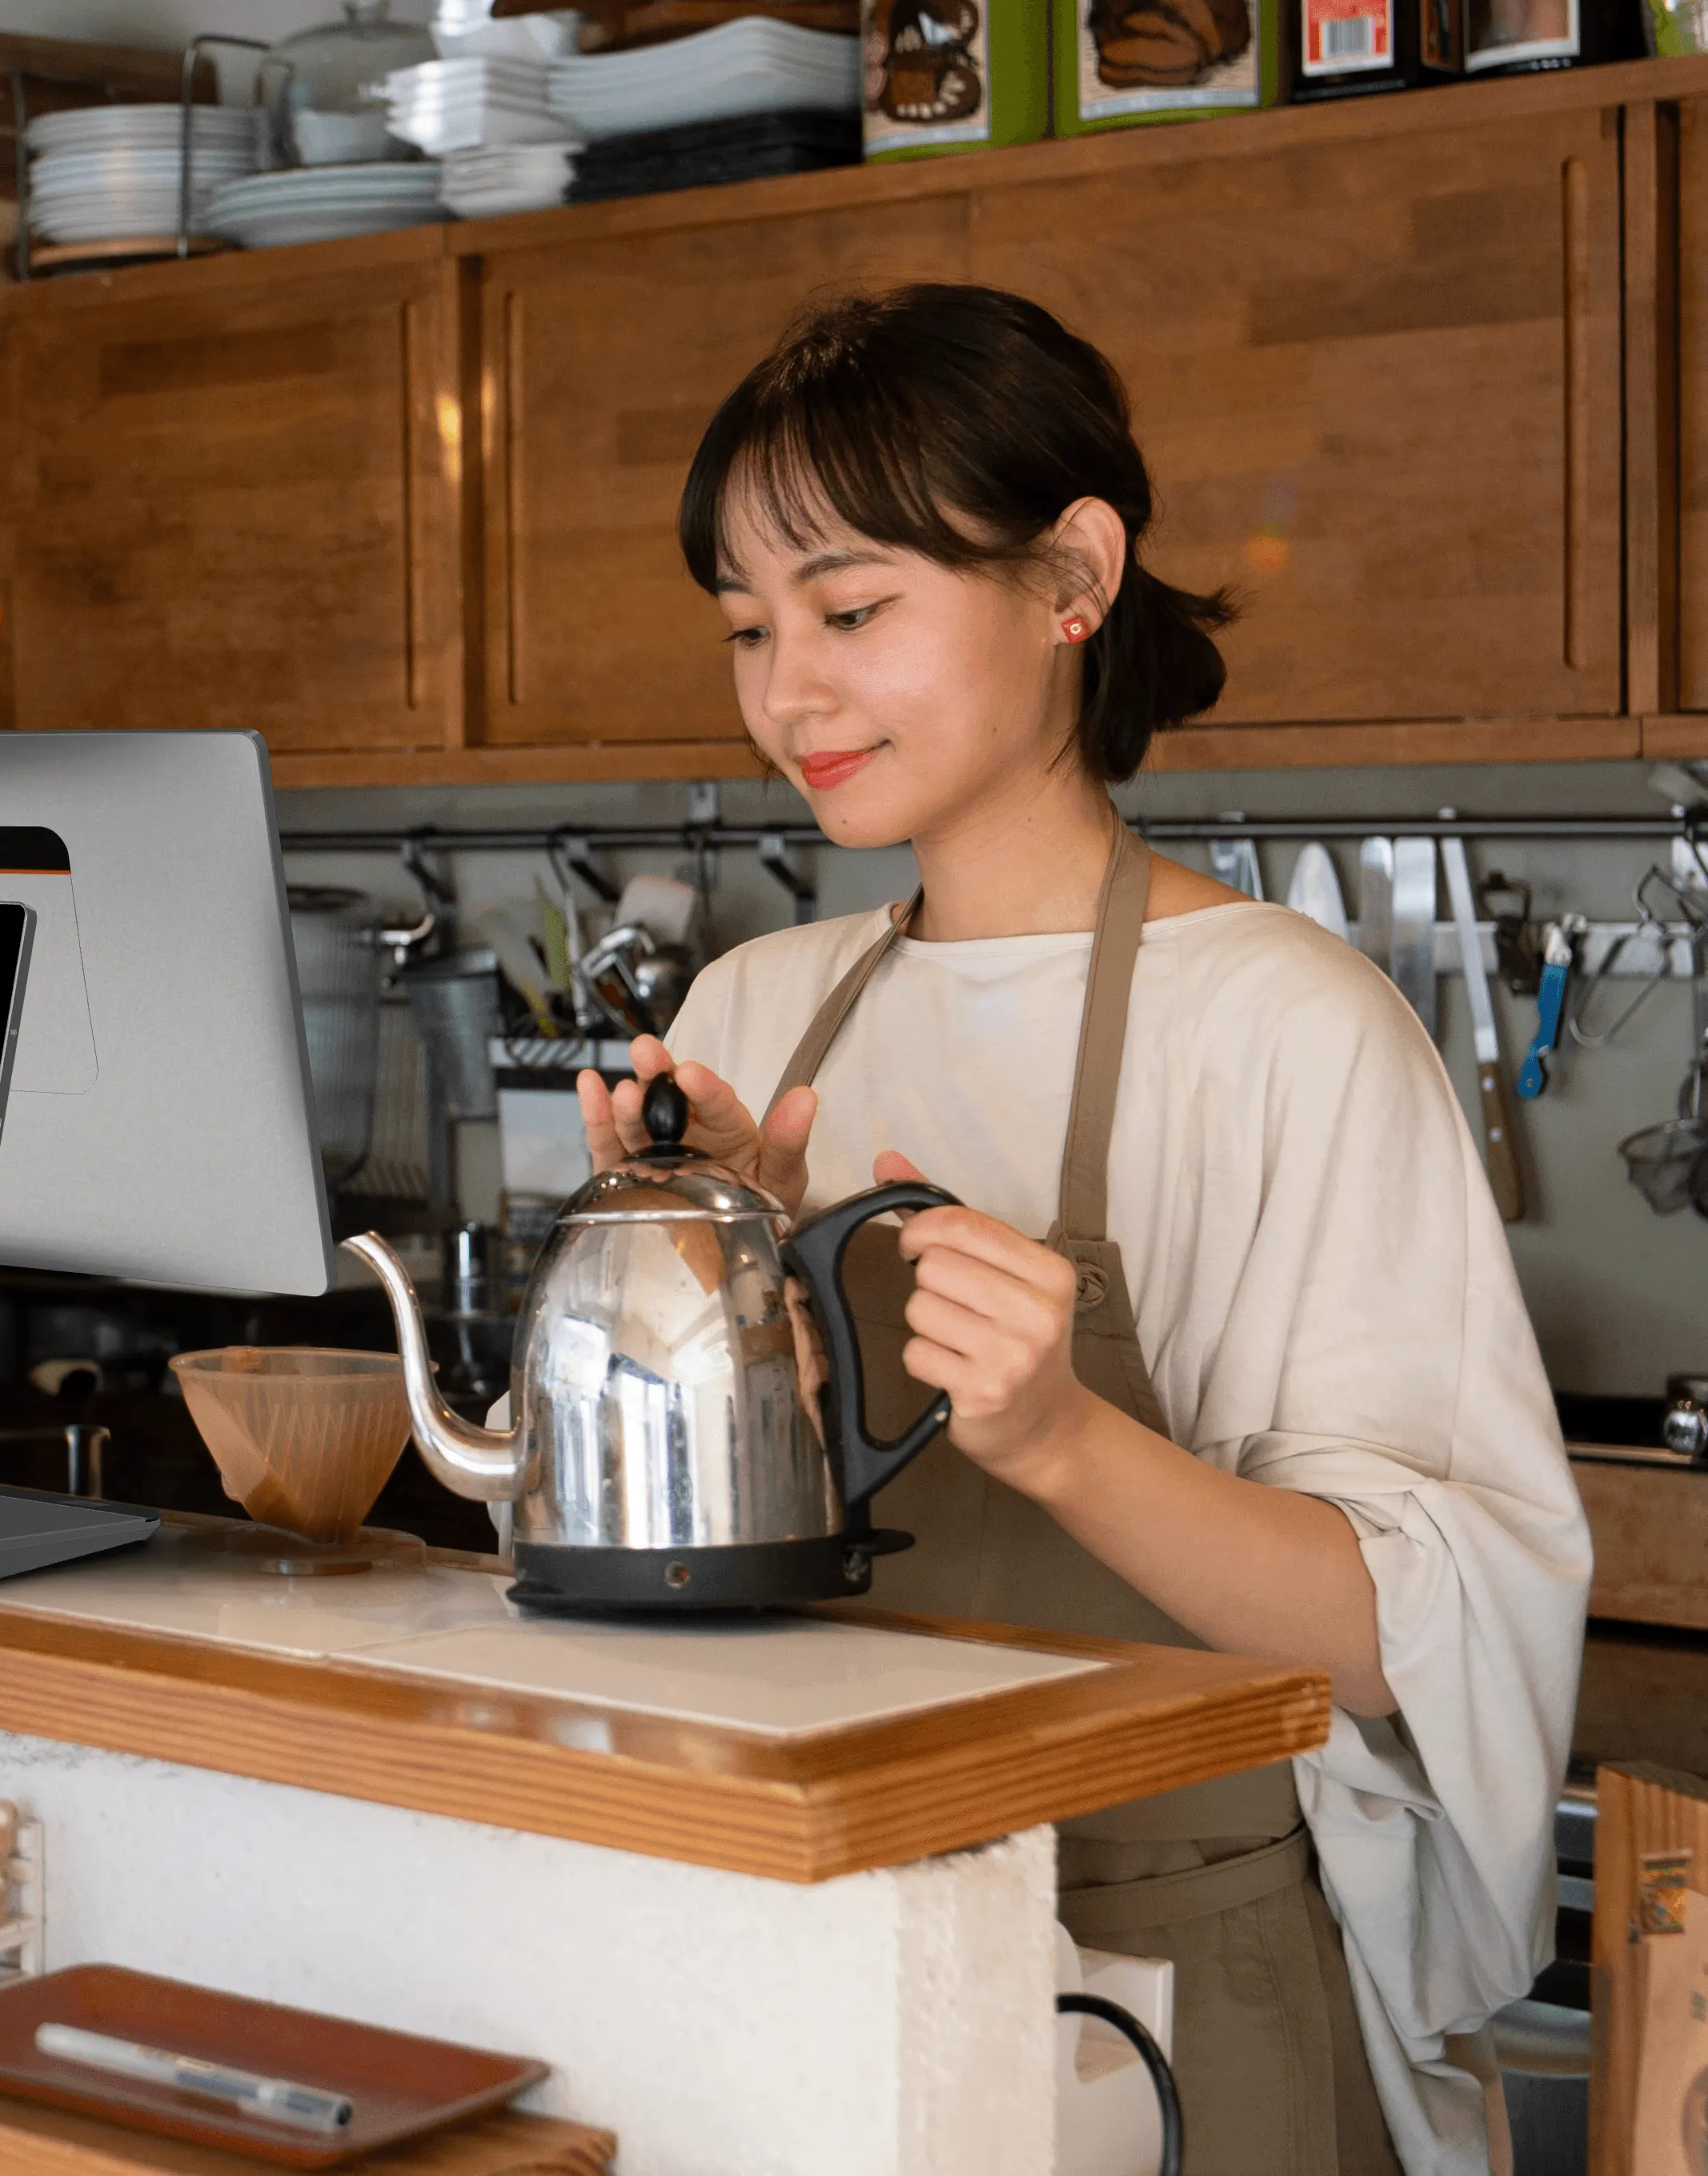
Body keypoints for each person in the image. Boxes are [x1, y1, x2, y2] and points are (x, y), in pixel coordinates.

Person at [576, 283, 1588, 2174]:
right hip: (807, 1921)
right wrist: (692, 1286)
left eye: (853, 609)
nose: (787, 690)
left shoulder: (1289, 1024)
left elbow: (1418, 1637)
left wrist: (1059, 1439)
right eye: (746, 626)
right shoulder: (749, 1014)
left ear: (1072, 575)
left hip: (1180, 1968)